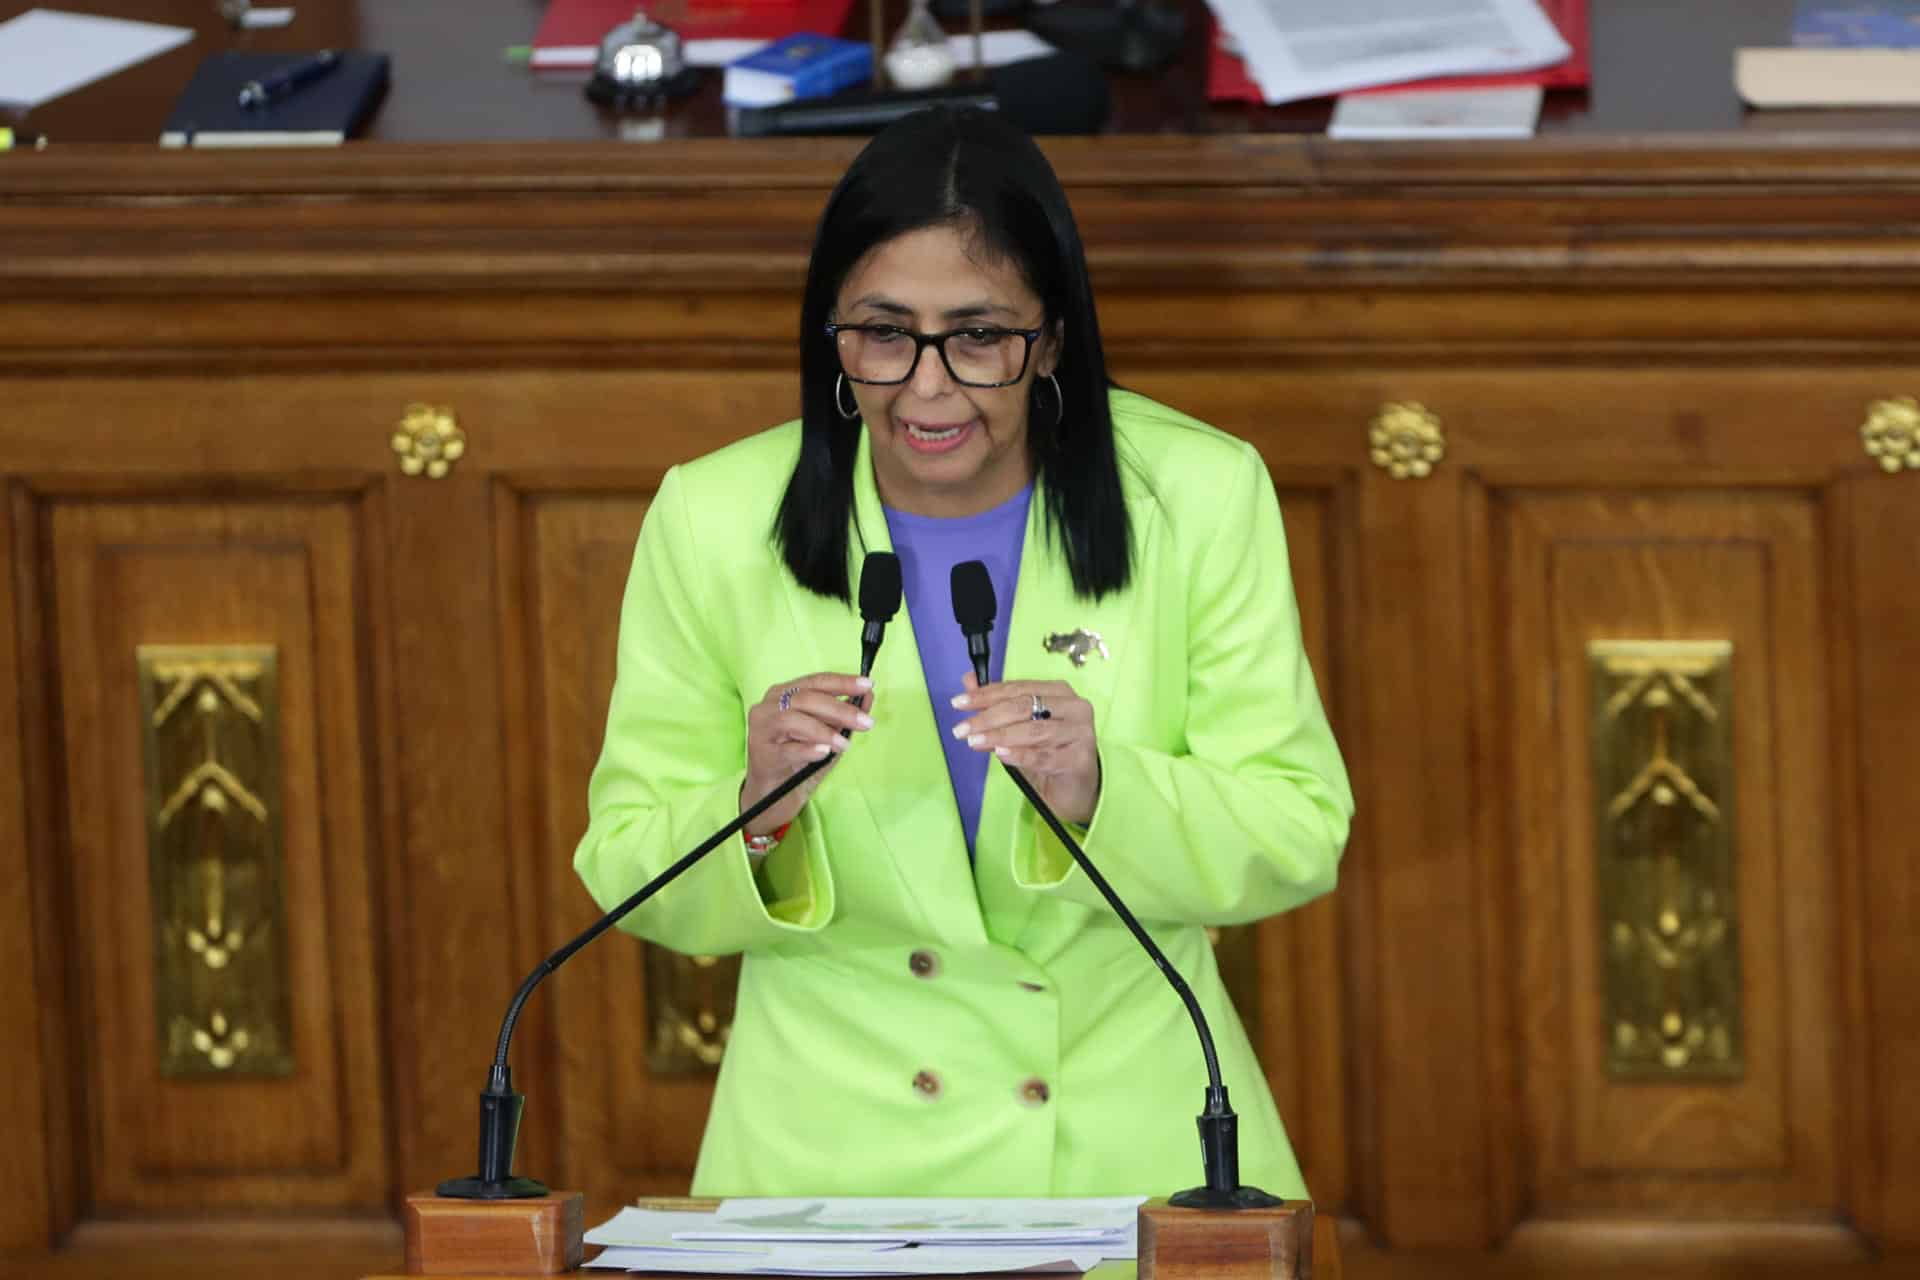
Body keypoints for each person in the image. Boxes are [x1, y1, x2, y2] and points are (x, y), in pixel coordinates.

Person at [573, 107, 1353, 1200]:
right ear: (831, 335)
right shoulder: (713, 517)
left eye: (979, 335)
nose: (928, 386)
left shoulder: (1199, 494)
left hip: (1134, 1163)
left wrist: (1102, 791)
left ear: (1055, 341)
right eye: (885, 333)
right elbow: (625, 869)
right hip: (825, 1170)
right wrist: (751, 812)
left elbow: (1298, 828)